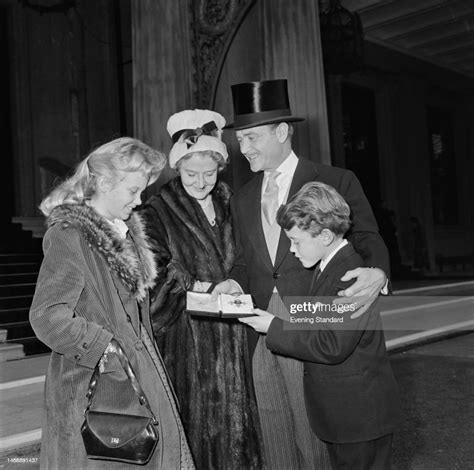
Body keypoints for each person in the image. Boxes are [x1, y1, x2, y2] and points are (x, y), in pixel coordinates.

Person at [214, 79, 391, 469]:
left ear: (282, 131)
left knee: (317, 436)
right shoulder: (242, 198)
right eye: (240, 140)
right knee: (275, 437)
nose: (244, 150)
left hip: (312, 322)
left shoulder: (336, 180)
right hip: (261, 330)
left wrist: (377, 272)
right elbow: (248, 261)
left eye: (252, 138)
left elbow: (367, 236)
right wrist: (232, 281)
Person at [29, 137, 194, 469]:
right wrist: (104, 347)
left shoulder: (124, 233)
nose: (140, 200)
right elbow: (47, 316)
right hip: (96, 381)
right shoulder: (70, 234)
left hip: (138, 371)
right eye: (133, 190)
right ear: (102, 182)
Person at [241, 181, 402, 470]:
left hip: (358, 418)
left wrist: (273, 326)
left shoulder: (347, 277)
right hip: (351, 415)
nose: (291, 250)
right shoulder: (331, 266)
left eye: (296, 241)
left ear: (325, 235)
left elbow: (332, 345)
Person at [140, 110, 262, 470]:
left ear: (221, 167)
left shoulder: (235, 202)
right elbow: (155, 273)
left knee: (246, 425)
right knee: (198, 429)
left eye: (209, 173)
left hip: (239, 332)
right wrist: (205, 287)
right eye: (191, 174)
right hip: (189, 339)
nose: (201, 182)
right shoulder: (156, 211)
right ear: (177, 168)